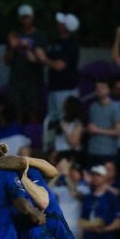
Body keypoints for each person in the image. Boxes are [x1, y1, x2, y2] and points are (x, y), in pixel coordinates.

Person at [41, 12, 80, 143]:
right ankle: (51, 146)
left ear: (66, 27)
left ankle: (65, 146)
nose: (58, 25)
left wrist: (44, 59)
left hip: (66, 89)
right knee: (52, 119)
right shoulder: (55, 41)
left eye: (62, 23)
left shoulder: (72, 45)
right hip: (54, 88)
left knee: (64, 119)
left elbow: (60, 65)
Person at [4, 4, 46, 122]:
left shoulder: (39, 36)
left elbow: (43, 59)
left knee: (33, 113)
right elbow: (6, 61)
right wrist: (12, 48)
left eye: (27, 17)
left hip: (34, 81)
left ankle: (34, 133)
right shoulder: (14, 35)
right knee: (17, 113)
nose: (25, 20)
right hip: (16, 80)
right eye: (23, 17)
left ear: (32, 17)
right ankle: (17, 133)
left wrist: (28, 49)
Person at [79, 165, 120, 239]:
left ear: (105, 177)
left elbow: (118, 223)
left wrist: (102, 229)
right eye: (93, 175)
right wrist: (94, 225)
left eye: (98, 175)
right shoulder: (88, 197)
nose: (95, 177)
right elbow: (81, 221)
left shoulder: (111, 198)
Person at [87, 79, 120, 166]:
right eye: (97, 88)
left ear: (109, 90)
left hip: (108, 151)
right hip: (92, 150)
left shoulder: (115, 107)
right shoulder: (93, 107)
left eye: (102, 88)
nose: (99, 90)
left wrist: (98, 130)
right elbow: (91, 128)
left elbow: (118, 131)